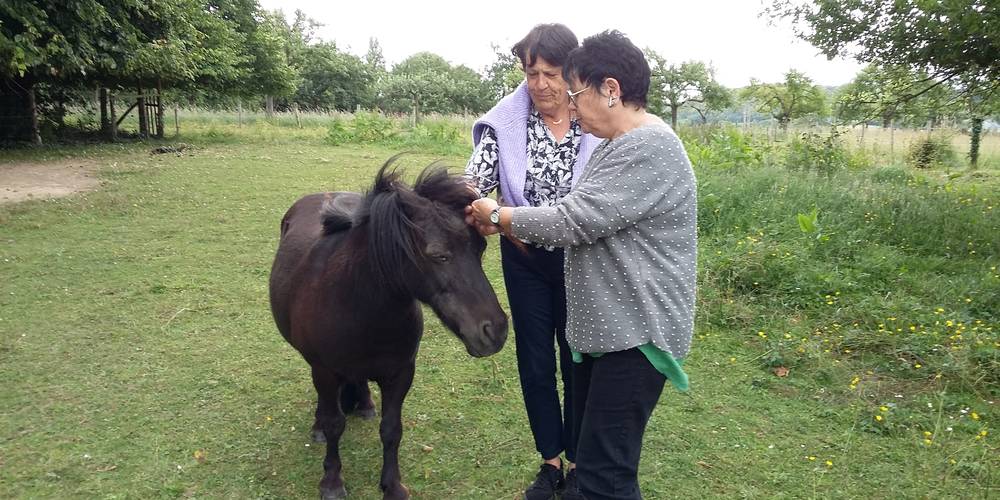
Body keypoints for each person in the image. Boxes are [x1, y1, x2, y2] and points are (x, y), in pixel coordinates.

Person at [467, 30, 696, 500]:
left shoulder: (648, 147)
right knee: (598, 467)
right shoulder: (619, 144)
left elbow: (576, 219)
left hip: (635, 336)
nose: (570, 104)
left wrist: (499, 214)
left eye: (574, 91)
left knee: (603, 479)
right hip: (615, 332)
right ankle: (558, 465)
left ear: (609, 89)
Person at [465, 23, 600, 500]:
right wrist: (475, 208)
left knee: (577, 357)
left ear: (571, 73)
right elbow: (475, 181)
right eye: (530, 72)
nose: (540, 84)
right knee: (536, 361)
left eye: (551, 73)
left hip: (580, 262)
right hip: (524, 258)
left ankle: (582, 464)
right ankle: (550, 463)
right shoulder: (507, 122)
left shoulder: (594, 121)